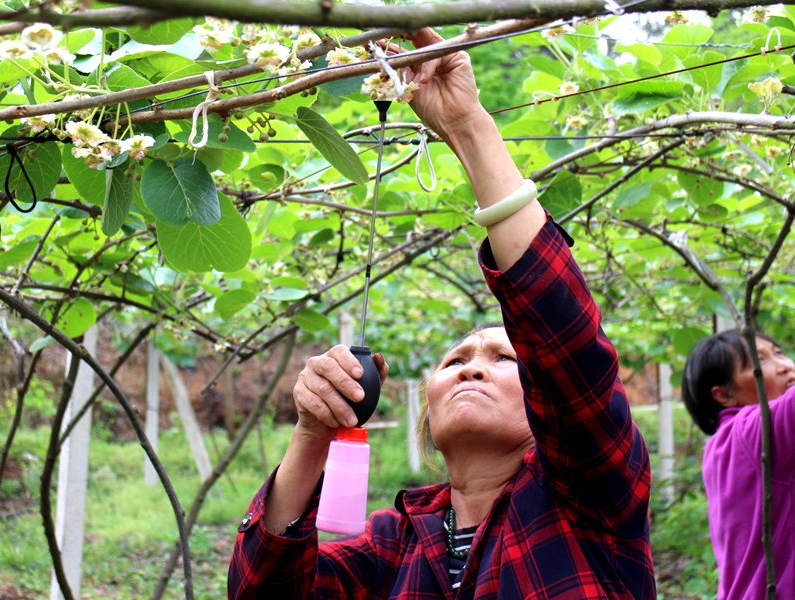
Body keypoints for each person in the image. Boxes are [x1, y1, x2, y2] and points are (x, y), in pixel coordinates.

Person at [228, 28, 655, 599]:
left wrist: (466, 124)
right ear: (426, 409)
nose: (470, 367)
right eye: (455, 360)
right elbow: (265, 591)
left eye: (504, 357)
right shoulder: (393, 543)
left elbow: (562, 336)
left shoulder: (590, 495)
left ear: (548, 402)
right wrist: (312, 434)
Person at [682, 330, 795, 600]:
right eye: (760, 360)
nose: (784, 365)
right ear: (724, 395)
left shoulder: (722, 445)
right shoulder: (752, 431)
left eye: (778, 353)